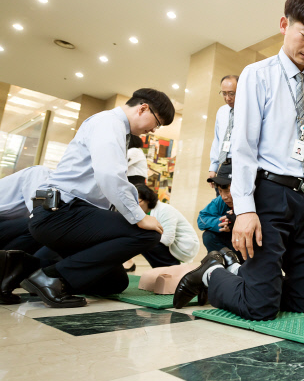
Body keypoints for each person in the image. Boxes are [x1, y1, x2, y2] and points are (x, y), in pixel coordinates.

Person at [174, 0, 304, 318]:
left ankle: (249, 277)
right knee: (261, 307)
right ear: (285, 24)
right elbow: (243, 148)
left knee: (303, 305)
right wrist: (244, 210)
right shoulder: (258, 75)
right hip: (270, 195)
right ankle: (211, 274)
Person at [1, 89, 176, 308]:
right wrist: (139, 216)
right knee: (146, 234)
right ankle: (51, 278)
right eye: (157, 123)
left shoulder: (118, 131)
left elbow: (114, 179)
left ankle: (30, 271)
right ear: (143, 108)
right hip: (60, 212)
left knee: (115, 282)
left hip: (71, 215)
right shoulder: (108, 122)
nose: (152, 130)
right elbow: (109, 174)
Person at [136, 184, 199, 267]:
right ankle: (160, 270)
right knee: (140, 239)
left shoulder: (165, 210)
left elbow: (168, 240)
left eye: (137, 202)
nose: (134, 206)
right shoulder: (143, 213)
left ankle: (171, 268)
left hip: (183, 247)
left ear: (147, 200)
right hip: (168, 245)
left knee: (145, 239)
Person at [0, 165, 51, 254]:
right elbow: (41, 212)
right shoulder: (40, 173)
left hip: (4, 222)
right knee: (41, 225)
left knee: (40, 226)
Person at [208, 75, 238, 187]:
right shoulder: (222, 111)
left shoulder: (249, 110)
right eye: (224, 93)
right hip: (224, 166)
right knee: (221, 201)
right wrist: (213, 168)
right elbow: (217, 140)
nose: (227, 98)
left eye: (231, 93)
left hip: (240, 164)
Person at [197, 163, 236, 253]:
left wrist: (236, 220)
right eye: (220, 191)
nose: (224, 196)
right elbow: (201, 219)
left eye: (227, 191)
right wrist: (223, 223)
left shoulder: (253, 199)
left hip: (247, 243)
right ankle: (227, 262)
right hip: (230, 243)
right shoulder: (220, 201)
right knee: (208, 236)